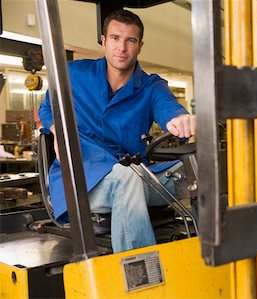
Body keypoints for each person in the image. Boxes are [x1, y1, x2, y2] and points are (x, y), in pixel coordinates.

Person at [38, 9, 195, 253]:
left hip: (138, 175)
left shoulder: (151, 86)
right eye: (115, 38)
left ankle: (214, 253)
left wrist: (180, 119)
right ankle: (141, 278)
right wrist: (58, 130)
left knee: (202, 166)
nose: (122, 48)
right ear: (103, 41)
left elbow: (168, 108)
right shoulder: (73, 75)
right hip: (83, 180)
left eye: (130, 40)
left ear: (139, 46)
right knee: (127, 177)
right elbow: (47, 108)